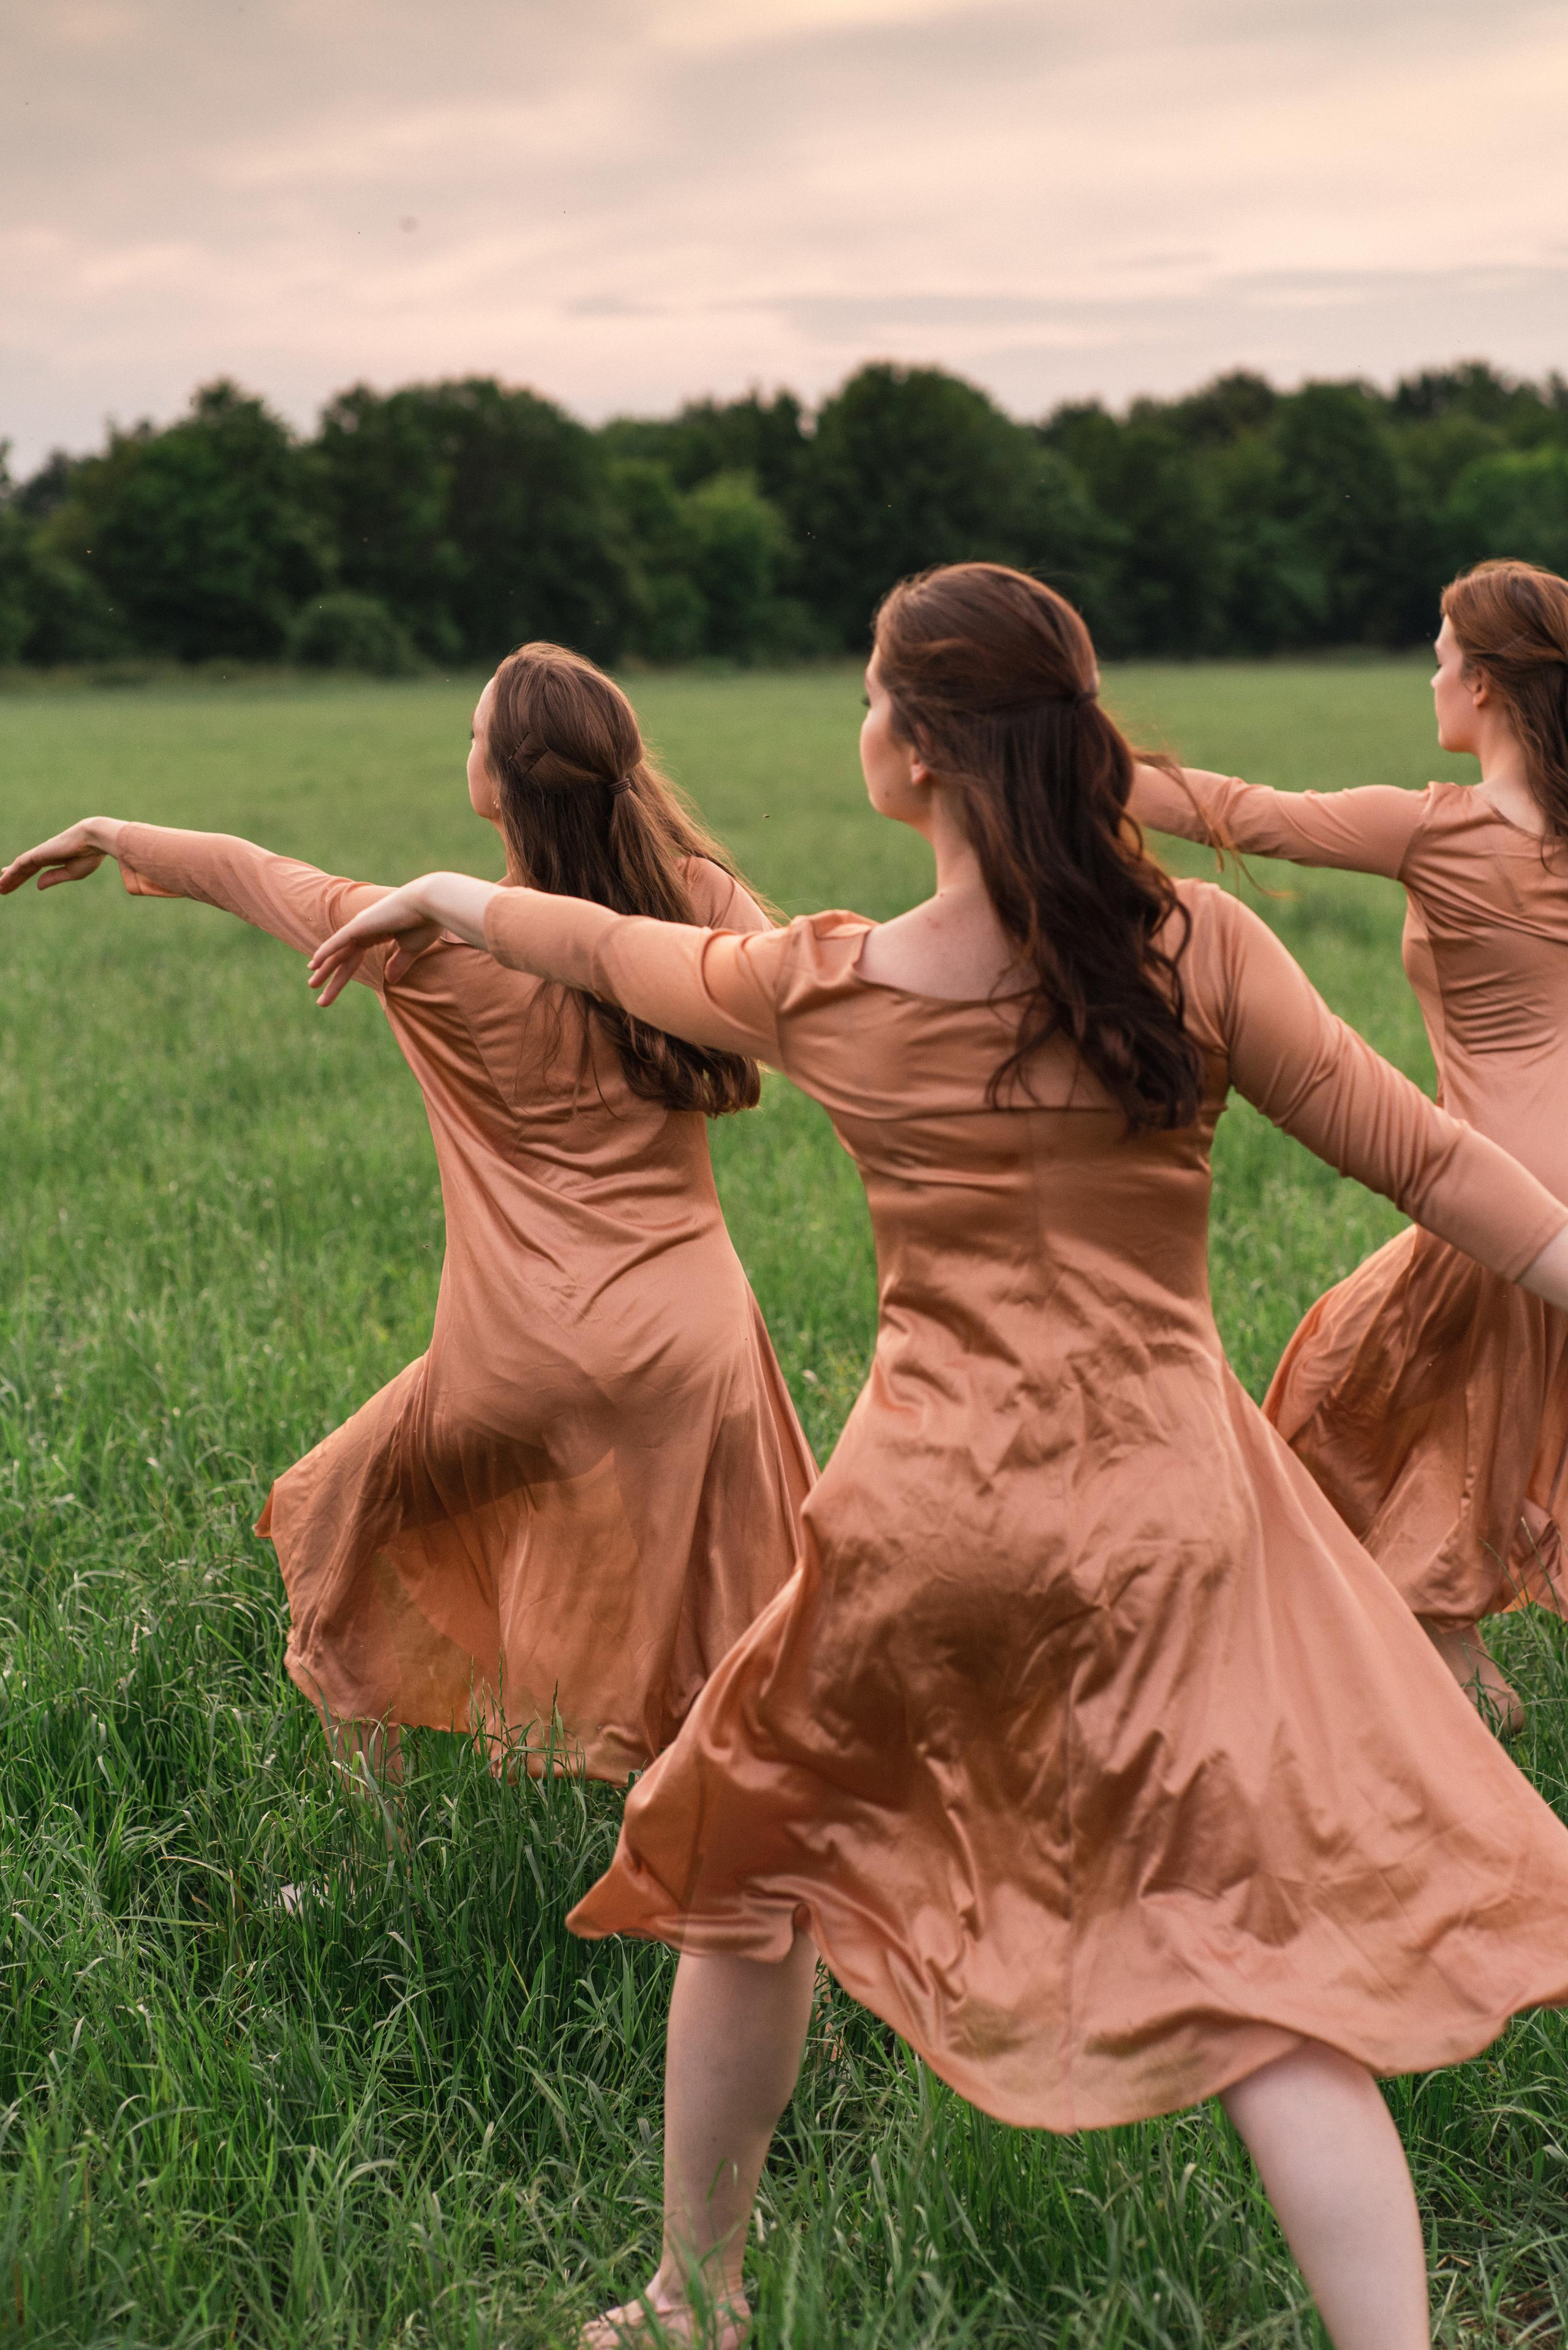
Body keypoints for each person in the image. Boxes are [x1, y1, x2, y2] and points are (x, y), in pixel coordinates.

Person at [309, 563, 1568, 2350]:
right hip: (1173, 1517)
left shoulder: (841, 983)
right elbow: (1431, 1160)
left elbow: (612, 944)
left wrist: (445, 893)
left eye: (872, 700)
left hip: (929, 1520)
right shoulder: (1196, 945)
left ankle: (692, 2295)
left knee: (743, 1869)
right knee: (1267, 1976)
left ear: (912, 752)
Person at [0, 642, 815, 1791]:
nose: (464, 745)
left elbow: (258, 872)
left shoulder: (424, 944)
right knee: (732, 1616)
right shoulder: (694, 902)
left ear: (503, 784)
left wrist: (113, 831)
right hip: (699, 1343)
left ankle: (376, 1857)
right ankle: (738, 1858)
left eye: (474, 732)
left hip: (528, 1351)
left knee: (335, 1511)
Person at [1129, 559, 1568, 1730]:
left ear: (1480, 684)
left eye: (1438, 653)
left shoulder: (1435, 828)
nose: (1430, 673)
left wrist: (1053, 755)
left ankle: (1444, 1658)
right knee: (1471, 1401)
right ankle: (1441, 1636)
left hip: (1502, 1184)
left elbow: (1236, 810)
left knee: (1342, 1386)